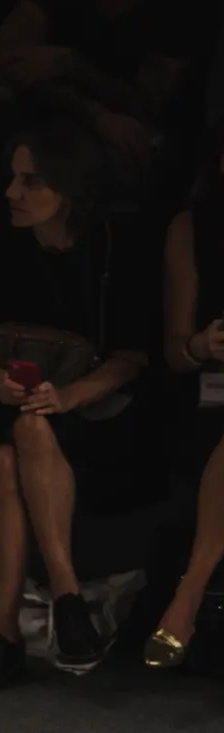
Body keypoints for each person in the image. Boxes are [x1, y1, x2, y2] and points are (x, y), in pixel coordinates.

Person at [0, 119, 149, 694]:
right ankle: (67, 596)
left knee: (8, 458)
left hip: (89, 414)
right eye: (13, 178)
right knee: (15, 440)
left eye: (31, 181)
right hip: (1, 403)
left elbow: (130, 359)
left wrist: (66, 396)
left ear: (69, 187)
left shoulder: (111, 249)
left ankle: (1, 632)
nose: (12, 192)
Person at [0, 0, 208, 192]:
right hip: (57, 109)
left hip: (129, 130)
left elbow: (146, 105)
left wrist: (72, 66)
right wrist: (96, 116)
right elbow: (11, 65)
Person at [145, 124, 224, 667]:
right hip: (209, 400)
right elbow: (175, 350)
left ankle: (187, 596)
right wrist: (202, 344)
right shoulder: (192, 227)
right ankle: (190, 595)